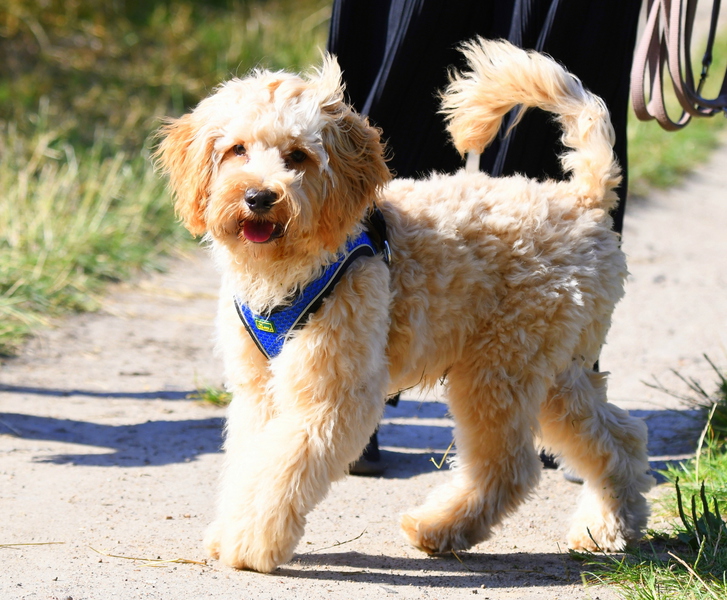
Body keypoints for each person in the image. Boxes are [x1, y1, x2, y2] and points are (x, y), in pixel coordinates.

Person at [328, 0, 643, 474]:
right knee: (403, 60)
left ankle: (531, 430)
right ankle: (350, 388)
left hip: (549, 254)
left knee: (522, 361)